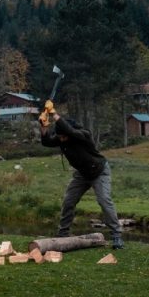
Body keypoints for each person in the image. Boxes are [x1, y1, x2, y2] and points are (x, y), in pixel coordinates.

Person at [39, 101, 124, 249]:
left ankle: (116, 235)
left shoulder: (82, 135)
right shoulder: (62, 138)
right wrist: (44, 126)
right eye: (59, 137)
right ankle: (63, 234)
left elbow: (70, 132)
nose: (61, 139)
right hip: (82, 174)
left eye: (63, 136)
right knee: (68, 201)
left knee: (104, 201)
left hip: (99, 171)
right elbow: (46, 142)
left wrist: (54, 114)